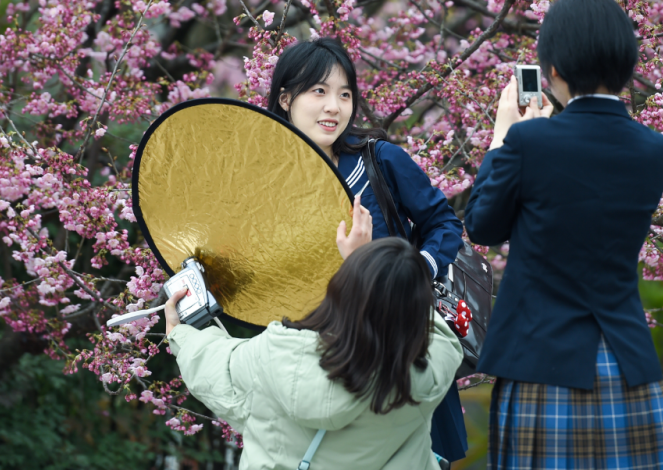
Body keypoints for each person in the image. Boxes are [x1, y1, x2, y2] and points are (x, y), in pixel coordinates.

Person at [464, 0, 663, 469]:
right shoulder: (656, 149)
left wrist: (502, 139)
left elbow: (482, 226)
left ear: (553, 70)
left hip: (543, 360)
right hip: (625, 362)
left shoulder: (529, 139)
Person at [265, 37, 468, 464]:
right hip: (315, 349)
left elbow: (443, 223)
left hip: (398, 337)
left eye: (344, 94)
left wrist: (416, 271)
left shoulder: (380, 160)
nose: (333, 107)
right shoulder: (266, 182)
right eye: (318, 92)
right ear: (285, 98)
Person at [164, 201, 464, 470]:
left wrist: (180, 333)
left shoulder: (275, 355)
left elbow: (215, 366)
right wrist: (390, 283)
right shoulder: (427, 368)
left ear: (339, 289)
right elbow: (439, 332)